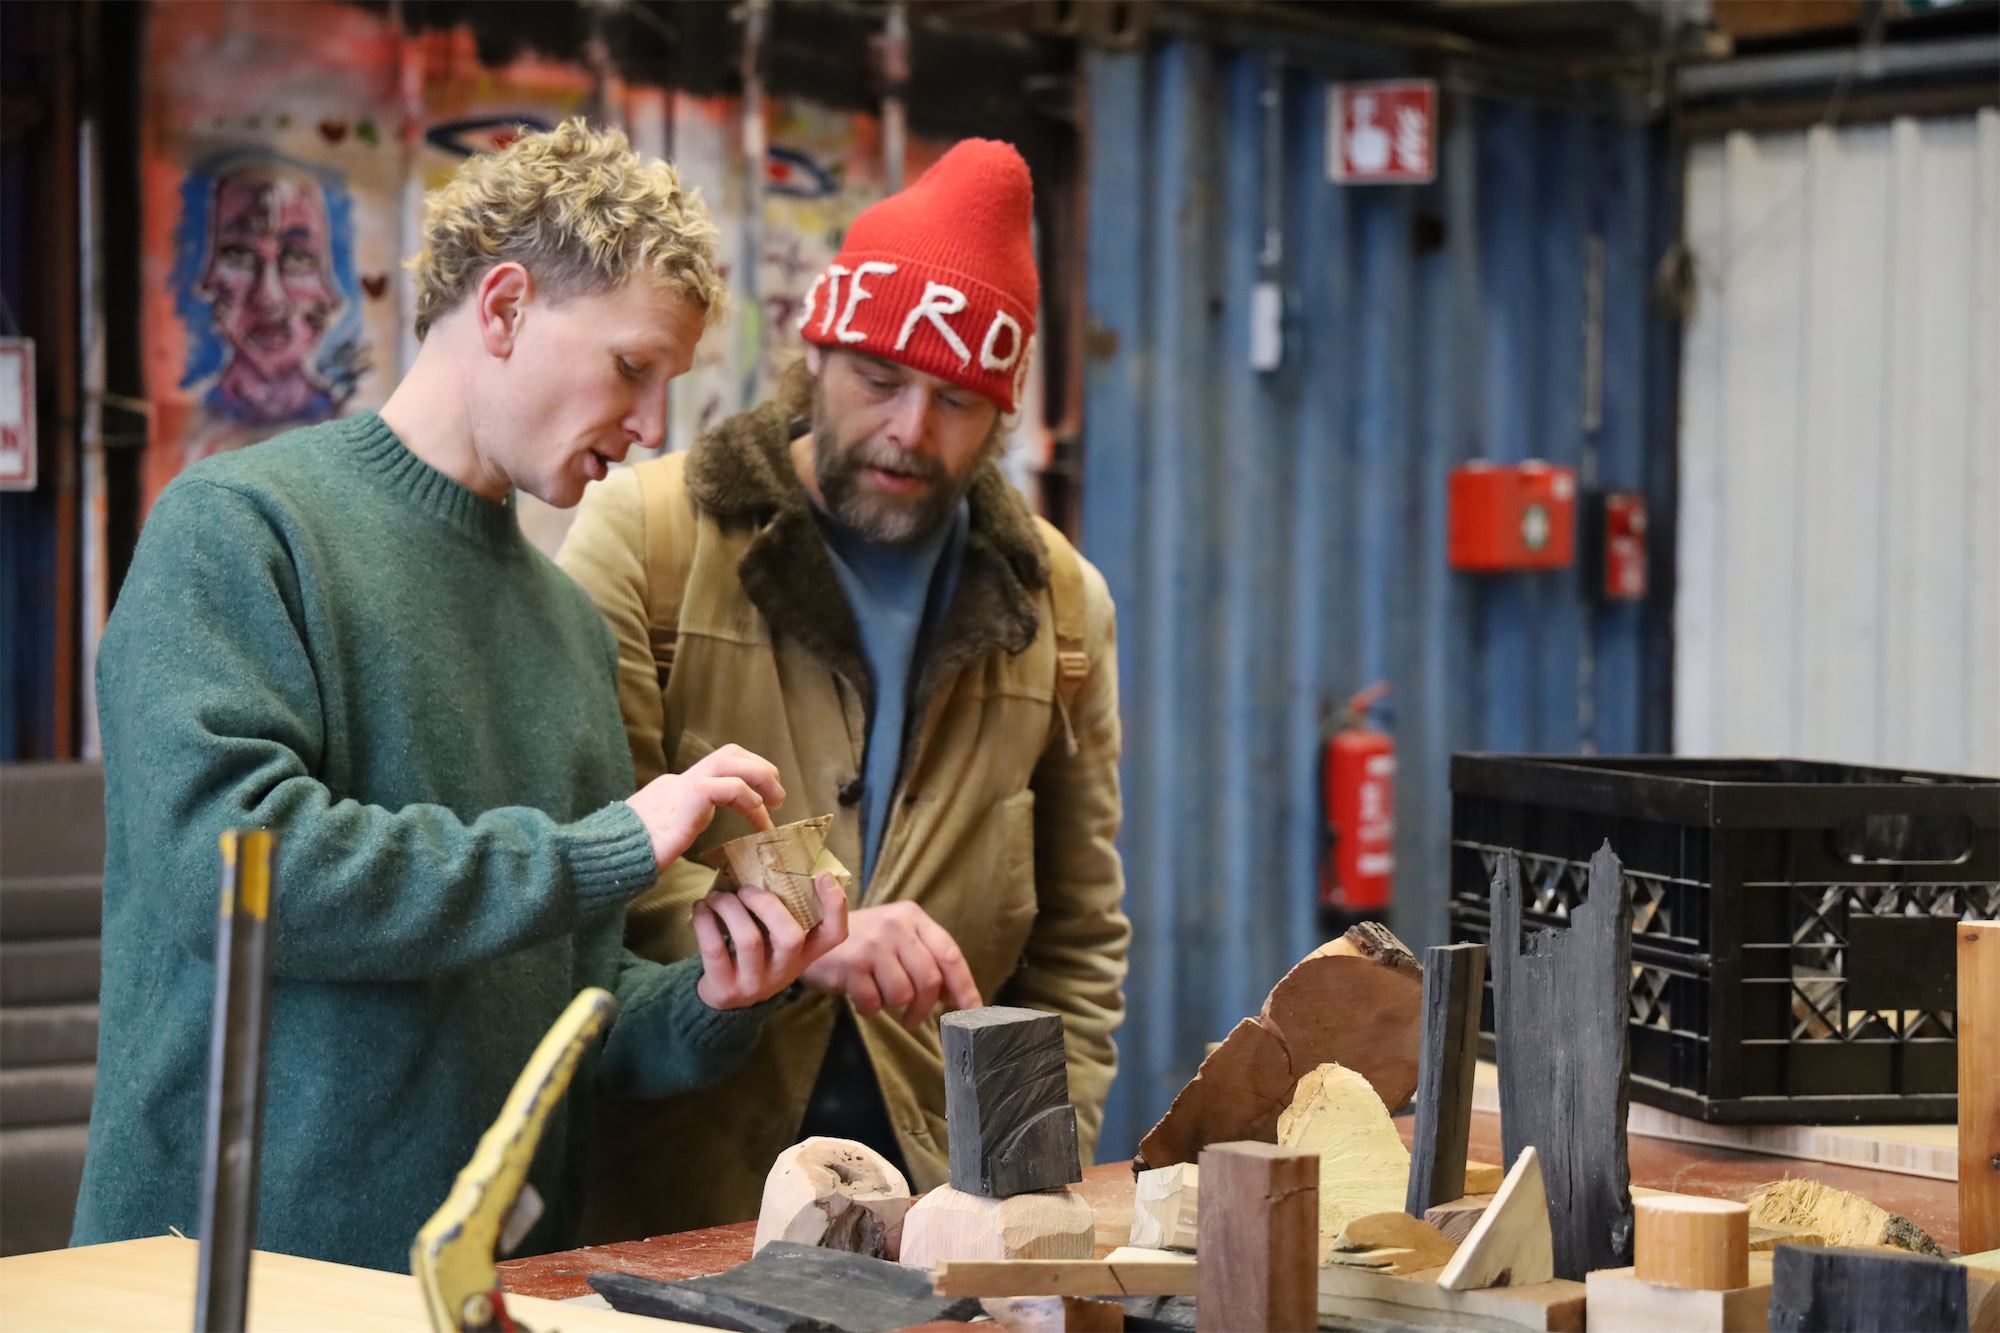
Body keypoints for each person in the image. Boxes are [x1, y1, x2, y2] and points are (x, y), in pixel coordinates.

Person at [70, 120, 846, 1274]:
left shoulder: (567, 626)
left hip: (482, 1287)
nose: (651, 428)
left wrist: (717, 1000)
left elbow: (572, 1013)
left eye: (669, 385)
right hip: (222, 1282)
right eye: (632, 368)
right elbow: (230, 870)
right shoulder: (240, 529)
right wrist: (601, 850)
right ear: (505, 306)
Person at [558, 138, 1129, 1237]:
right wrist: (813, 933)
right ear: (815, 353)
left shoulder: (1062, 606)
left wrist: (1033, 1187)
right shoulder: (648, 538)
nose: (911, 430)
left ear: (1001, 414)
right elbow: (588, 866)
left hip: (946, 1199)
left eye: (957, 399)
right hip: (683, 1184)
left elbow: (1078, 941)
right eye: (879, 380)